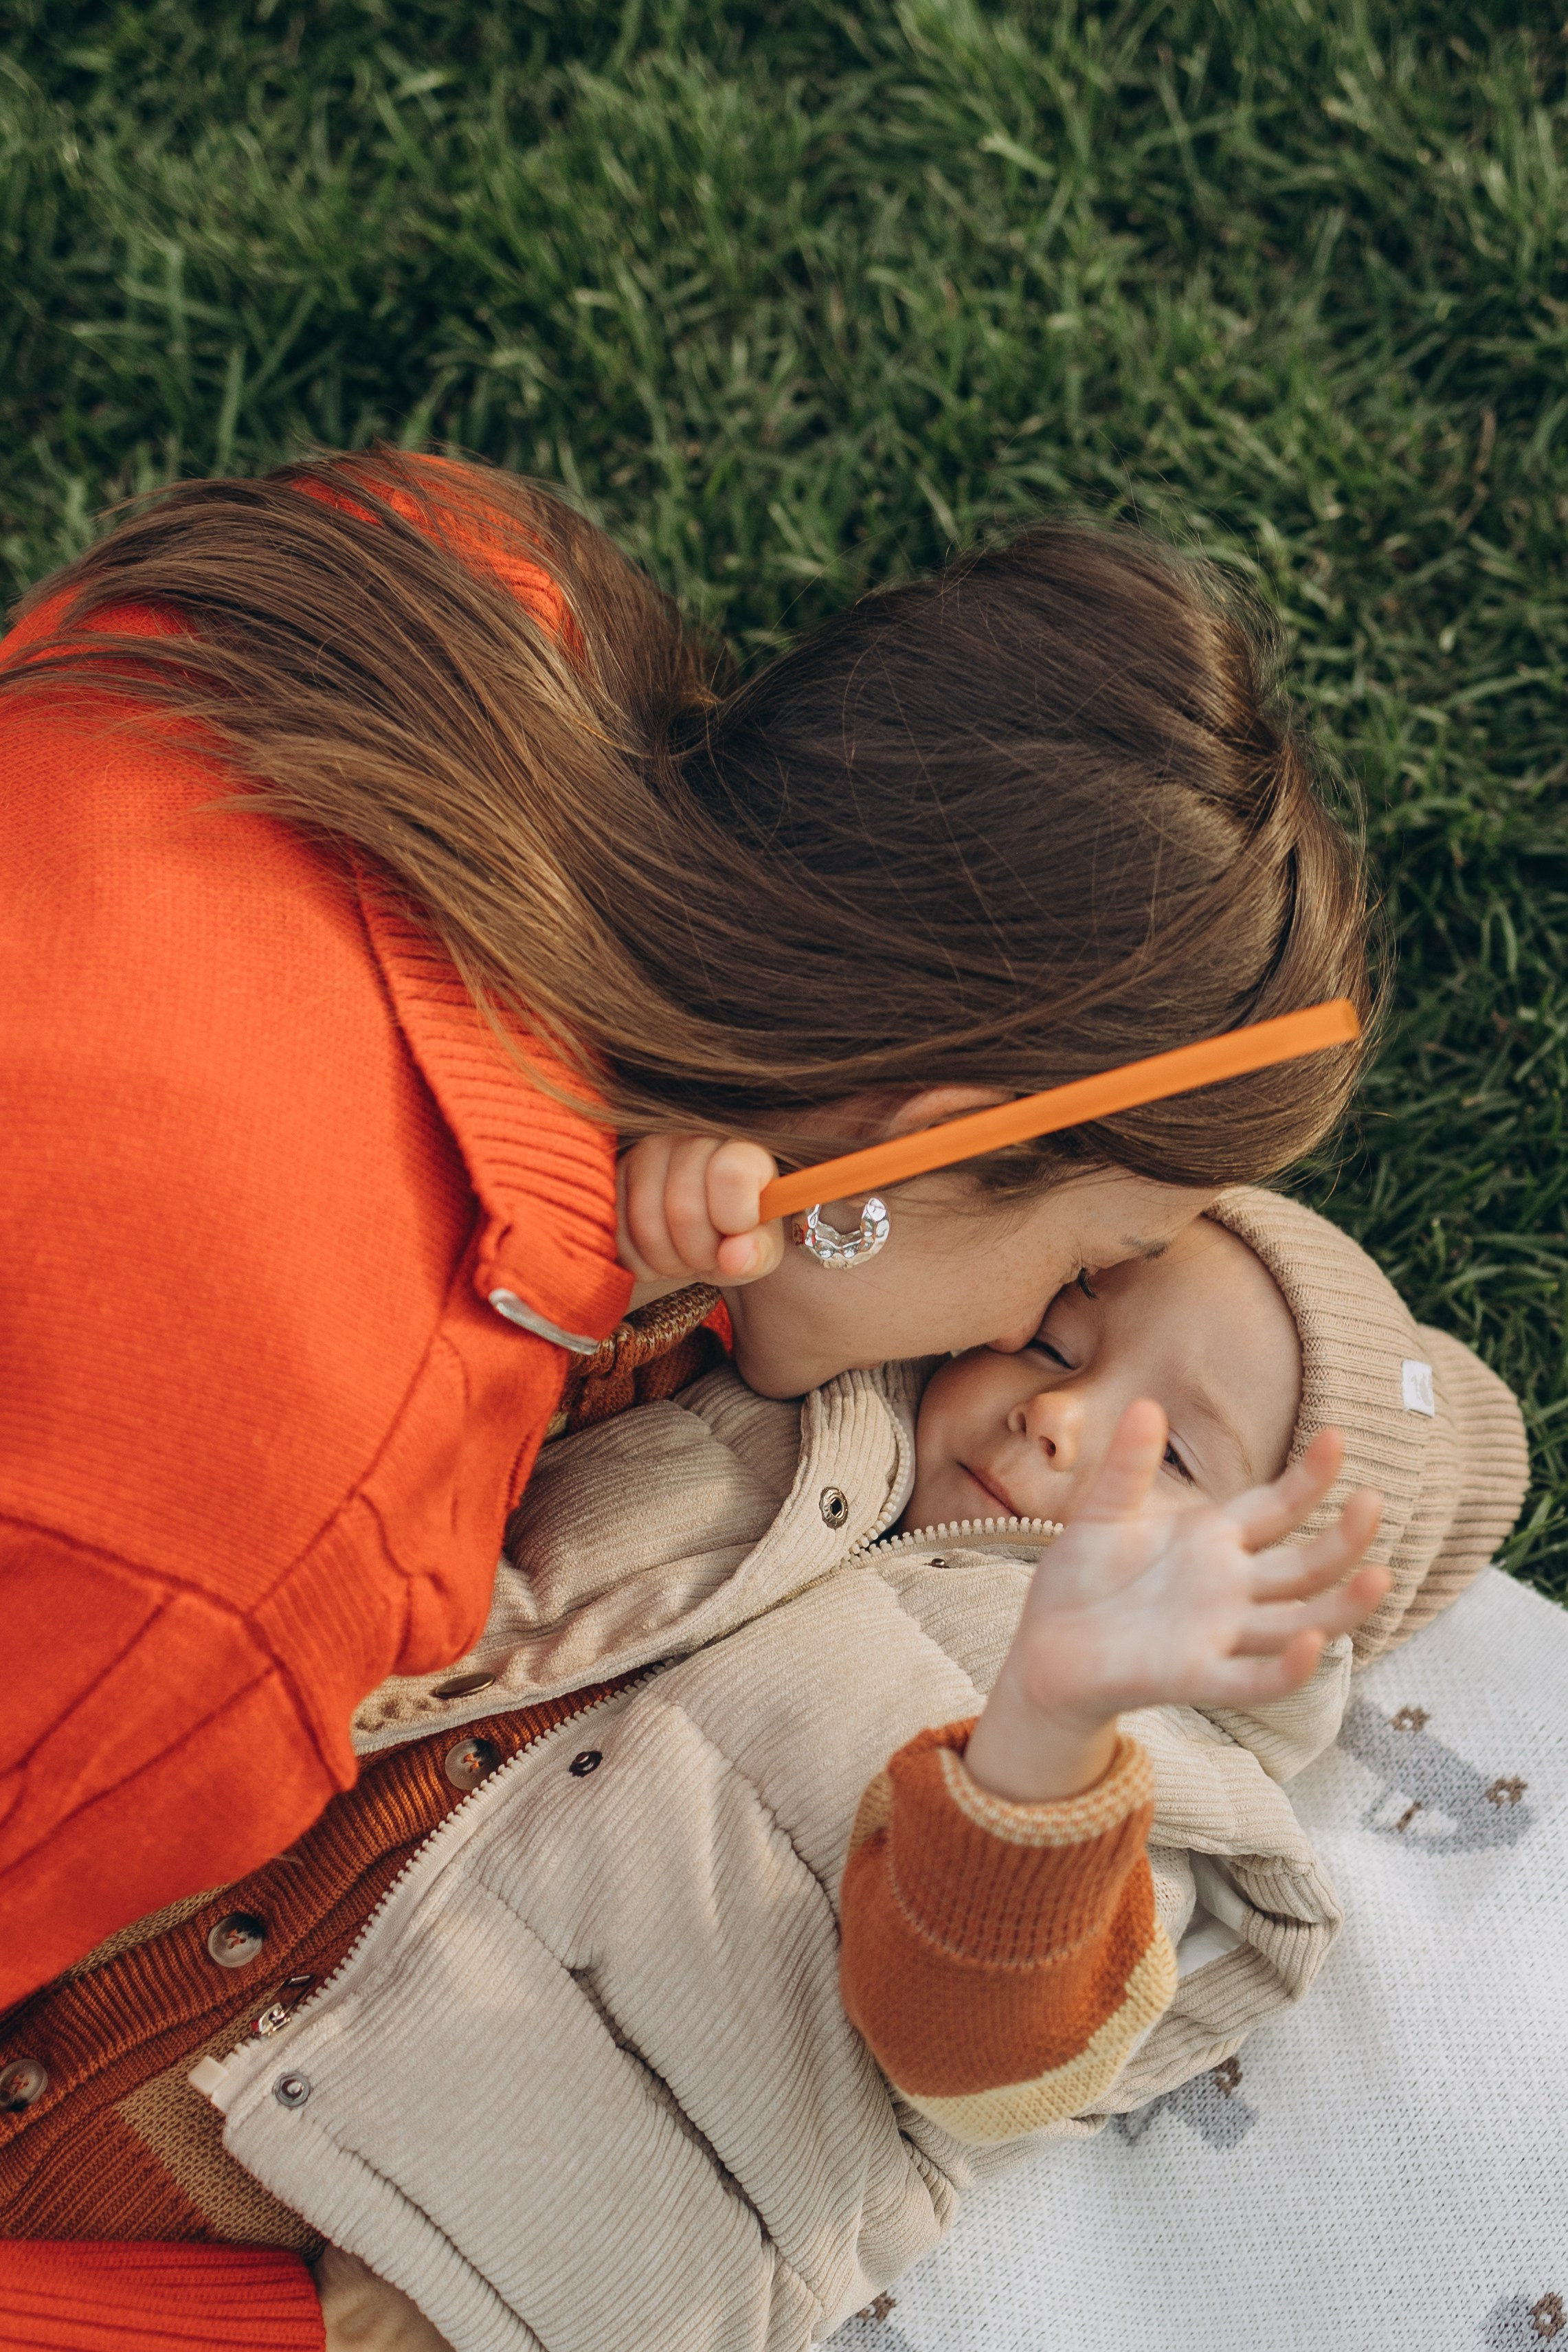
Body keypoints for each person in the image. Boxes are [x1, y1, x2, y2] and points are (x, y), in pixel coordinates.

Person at [0, 446, 1374, 2019]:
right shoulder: (280, 1560)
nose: (1012, 1345)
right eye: (1072, 1275)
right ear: (917, 1144)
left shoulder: (447, 567)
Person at [0, 1191, 1527, 2352]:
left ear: (1271, 1626)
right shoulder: (791, 1417)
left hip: (385, 2250)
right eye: (1057, 1343)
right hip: (143, 1919)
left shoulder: (1144, 1786)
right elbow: (511, 1425)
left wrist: (1047, 1736)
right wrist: (671, 1251)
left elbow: (984, 2050)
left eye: (1170, 1457)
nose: (1059, 1417)